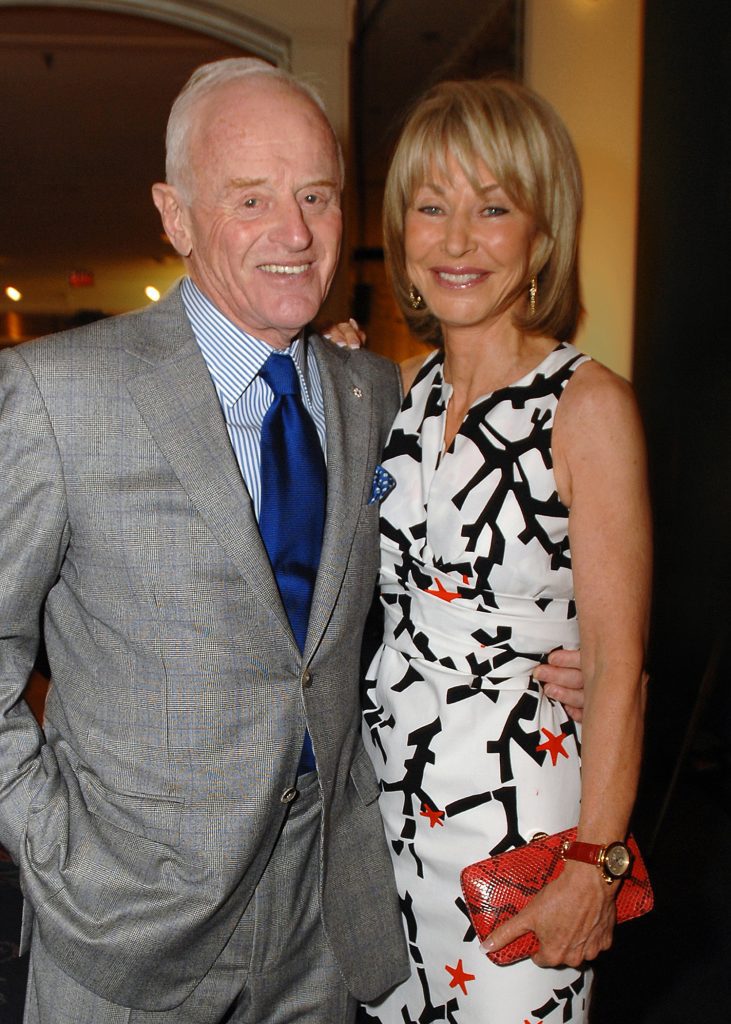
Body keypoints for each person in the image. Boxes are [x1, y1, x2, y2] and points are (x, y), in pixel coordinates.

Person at [0, 57, 410, 1024]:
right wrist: (53, 845)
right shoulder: (57, 394)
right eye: (251, 198)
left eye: (316, 195)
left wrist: (551, 663)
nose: (295, 233)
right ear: (175, 216)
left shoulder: (373, 392)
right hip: (125, 929)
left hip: (324, 922)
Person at [360, 77, 651, 1024]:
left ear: (541, 234)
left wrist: (594, 863)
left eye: (491, 209)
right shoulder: (388, 395)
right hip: (381, 815)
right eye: (430, 207)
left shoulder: (587, 406)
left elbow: (616, 665)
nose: (455, 240)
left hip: (520, 827)